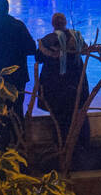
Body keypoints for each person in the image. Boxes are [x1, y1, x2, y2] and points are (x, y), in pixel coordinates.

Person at [0, 0, 36, 149]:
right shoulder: (18, 26)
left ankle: (2, 146)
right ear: (8, 8)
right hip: (18, 76)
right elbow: (31, 47)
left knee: (1, 110)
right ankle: (19, 143)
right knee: (17, 109)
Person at [36, 12, 89, 147]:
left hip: (55, 86)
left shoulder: (47, 41)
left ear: (53, 24)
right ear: (65, 23)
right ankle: (80, 143)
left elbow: (39, 58)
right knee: (76, 113)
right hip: (76, 85)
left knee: (58, 118)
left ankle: (61, 144)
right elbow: (86, 50)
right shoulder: (77, 37)